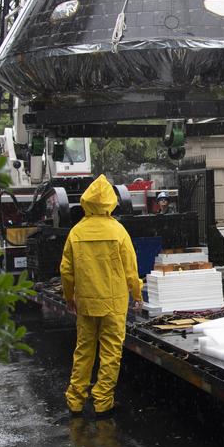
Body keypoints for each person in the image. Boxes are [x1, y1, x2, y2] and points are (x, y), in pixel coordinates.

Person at [60, 175, 143, 418]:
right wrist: (136, 293)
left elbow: (66, 270)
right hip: (114, 303)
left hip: (86, 302)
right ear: (110, 202)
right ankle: (102, 402)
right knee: (110, 353)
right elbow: (131, 268)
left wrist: (69, 297)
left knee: (84, 350)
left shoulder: (76, 232)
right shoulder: (119, 231)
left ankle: (75, 400)